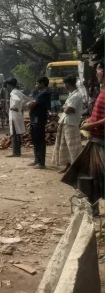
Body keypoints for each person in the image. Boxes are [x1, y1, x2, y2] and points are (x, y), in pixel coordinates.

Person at [62, 61, 105, 207]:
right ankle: (92, 207)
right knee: (89, 175)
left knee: (98, 176)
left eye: (98, 69)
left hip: (101, 141)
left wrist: (90, 125)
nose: (96, 73)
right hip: (95, 139)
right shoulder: (102, 91)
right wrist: (92, 119)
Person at [51, 76, 84, 173]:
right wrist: (65, 107)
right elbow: (64, 108)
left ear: (67, 84)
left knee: (73, 147)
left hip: (71, 123)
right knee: (64, 145)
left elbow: (67, 109)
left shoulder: (76, 95)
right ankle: (68, 166)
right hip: (65, 122)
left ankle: (76, 168)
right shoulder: (71, 94)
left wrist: (65, 107)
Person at [27, 77, 52, 169]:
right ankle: (37, 160)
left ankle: (41, 163)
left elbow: (31, 104)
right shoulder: (40, 93)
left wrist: (30, 104)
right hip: (35, 118)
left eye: (37, 83)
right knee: (35, 139)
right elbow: (30, 104)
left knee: (39, 139)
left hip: (39, 118)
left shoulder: (45, 94)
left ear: (42, 83)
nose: (36, 85)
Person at [5, 78, 28, 158]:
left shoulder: (13, 93)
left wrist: (13, 106)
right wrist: (21, 106)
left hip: (14, 114)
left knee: (14, 134)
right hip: (19, 113)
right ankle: (18, 151)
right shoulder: (19, 92)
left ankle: (15, 152)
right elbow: (27, 98)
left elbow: (17, 100)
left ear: (9, 85)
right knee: (18, 133)